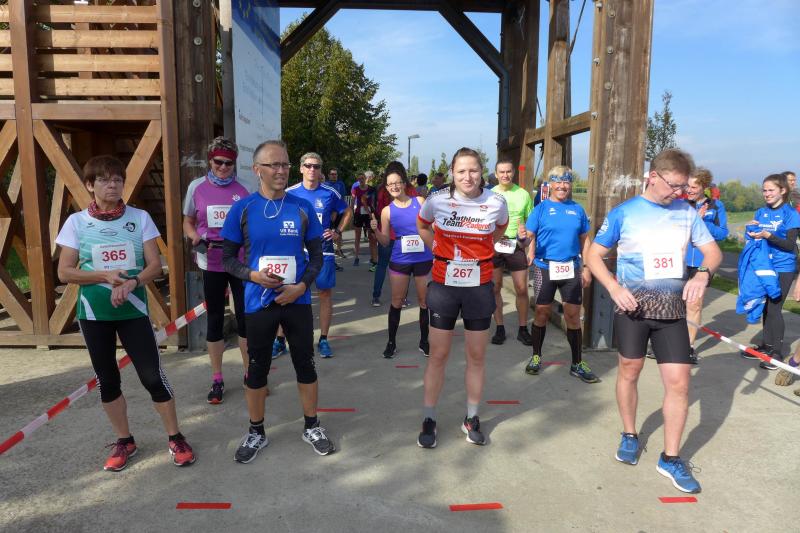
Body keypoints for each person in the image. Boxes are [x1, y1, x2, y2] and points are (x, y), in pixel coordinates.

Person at [584, 148, 722, 494]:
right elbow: (594, 255)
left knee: (680, 384)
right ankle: (630, 434)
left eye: (683, 187)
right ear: (653, 177)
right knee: (629, 371)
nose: (679, 192)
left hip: (672, 313)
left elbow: (713, 252)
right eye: (674, 185)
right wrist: (613, 288)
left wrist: (703, 274)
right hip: (633, 309)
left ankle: (670, 458)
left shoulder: (687, 213)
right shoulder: (624, 212)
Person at [55, 155, 195, 471]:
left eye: (118, 179)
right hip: (94, 314)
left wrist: (132, 282)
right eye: (104, 180)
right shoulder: (76, 223)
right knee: (107, 381)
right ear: (89, 185)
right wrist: (104, 276)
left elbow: (155, 266)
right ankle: (124, 441)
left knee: (152, 376)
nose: (113, 185)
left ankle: (175, 437)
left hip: (133, 312)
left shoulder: (139, 217)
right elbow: (65, 272)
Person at [221, 140, 335, 463]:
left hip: (296, 300)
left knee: (305, 364)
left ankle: (311, 426)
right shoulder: (243, 209)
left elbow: (316, 257)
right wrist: (253, 276)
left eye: (285, 164)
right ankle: (256, 431)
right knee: (257, 369)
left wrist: (301, 287)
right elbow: (227, 259)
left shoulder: (301, 207)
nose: (281, 170)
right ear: (257, 169)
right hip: (258, 302)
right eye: (274, 165)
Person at [416, 147, 509, 448]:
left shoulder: (496, 202)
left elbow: (499, 230)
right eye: (461, 171)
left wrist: (482, 251)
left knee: (476, 356)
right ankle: (429, 417)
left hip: (479, 286)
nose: (467, 177)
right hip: (444, 285)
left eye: (473, 170)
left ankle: (471, 417)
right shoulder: (437, 199)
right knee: (438, 354)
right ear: (452, 173)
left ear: (482, 171)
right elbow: (422, 224)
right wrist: (435, 246)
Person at [182, 137, 251, 404]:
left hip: (238, 261)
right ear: (210, 161)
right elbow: (188, 221)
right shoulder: (196, 187)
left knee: (244, 317)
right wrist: (194, 237)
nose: (223, 167)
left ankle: (250, 374)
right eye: (218, 162)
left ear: (235, 164)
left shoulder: (243, 189)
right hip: (210, 261)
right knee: (214, 319)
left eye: (228, 163)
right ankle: (217, 378)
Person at [272, 152, 351, 360]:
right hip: (296, 252)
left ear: (320, 170)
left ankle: (323, 339)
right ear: (301, 168)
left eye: (316, 166)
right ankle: (280, 340)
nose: (312, 170)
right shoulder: (289, 192)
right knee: (288, 294)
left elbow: (347, 211)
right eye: (308, 166)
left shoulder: (329, 193)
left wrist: (337, 231)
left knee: (324, 294)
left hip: (323, 250)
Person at [523, 166, 596, 382]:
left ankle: (577, 363)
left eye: (567, 182)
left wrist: (587, 267)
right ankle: (536, 356)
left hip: (571, 267)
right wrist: (522, 241)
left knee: (573, 316)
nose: (563, 186)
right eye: (558, 181)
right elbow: (528, 237)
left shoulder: (577, 210)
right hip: (545, 267)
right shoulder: (541, 209)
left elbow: (585, 240)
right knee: (542, 313)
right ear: (550, 184)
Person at [370, 162, 432, 357]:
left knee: (424, 301)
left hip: (423, 258)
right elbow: (385, 241)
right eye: (390, 184)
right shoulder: (386, 211)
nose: (394, 186)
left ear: (404, 183)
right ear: (386, 188)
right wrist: (375, 230)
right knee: (397, 300)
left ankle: (424, 341)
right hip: (400, 259)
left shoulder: (420, 201)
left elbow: (432, 227)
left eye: (397, 182)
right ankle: (391, 342)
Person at [740, 173, 800, 369]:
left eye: (771, 190)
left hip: (783, 266)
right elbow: (755, 239)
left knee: (774, 308)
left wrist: (768, 235)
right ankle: (766, 346)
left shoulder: (791, 214)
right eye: (764, 190)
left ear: (782, 190)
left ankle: (777, 353)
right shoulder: (761, 212)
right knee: (766, 307)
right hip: (765, 266)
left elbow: (789, 244)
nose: (766, 193)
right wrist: (750, 232)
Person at [683, 167, 728, 364]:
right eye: (687, 186)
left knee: (694, 305)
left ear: (704, 187)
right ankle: (670, 343)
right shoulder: (680, 204)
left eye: (694, 187)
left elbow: (722, 233)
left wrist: (702, 222)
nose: (689, 190)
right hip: (680, 261)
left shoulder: (716, 206)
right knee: (675, 305)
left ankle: (688, 347)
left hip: (702, 264)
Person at [489, 159, 534, 347]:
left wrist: (531, 250)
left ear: (513, 172)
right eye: (501, 172)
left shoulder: (523, 194)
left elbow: (531, 225)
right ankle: (499, 328)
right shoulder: (489, 194)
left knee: (522, 289)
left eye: (508, 171)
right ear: (496, 174)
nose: (505, 175)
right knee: (495, 288)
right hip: (494, 245)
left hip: (516, 245)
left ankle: (523, 329)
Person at [351, 172, 378, 268]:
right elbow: (352, 202)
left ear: (365, 179)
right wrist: (351, 214)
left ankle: (372, 257)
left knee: (371, 237)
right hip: (358, 214)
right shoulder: (355, 189)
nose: (361, 180)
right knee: (357, 236)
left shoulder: (371, 189)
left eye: (362, 178)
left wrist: (374, 214)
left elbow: (374, 201)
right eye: (359, 179)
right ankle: (356, 257)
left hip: (368, 214)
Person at [325, 167, 348, 265]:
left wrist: (338, 211)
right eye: (332, 174)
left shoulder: (340, 184)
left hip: (339, 210)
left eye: (335, 174)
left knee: (339, 230)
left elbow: (342, 197)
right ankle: (329, 251)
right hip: (328, 212)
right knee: (328, 231)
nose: (334, 176)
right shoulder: (325, 184)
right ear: (329, 175)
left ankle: (339, 249)